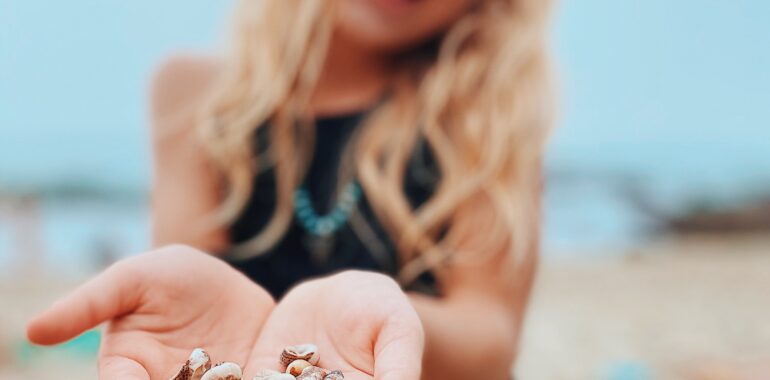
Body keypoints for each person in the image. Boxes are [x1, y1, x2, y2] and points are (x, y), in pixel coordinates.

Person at [27, 0, 554, 378]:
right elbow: (192, 271)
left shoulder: (485, 115)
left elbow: (490, 338)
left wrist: (380, 320)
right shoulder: (196, 94)